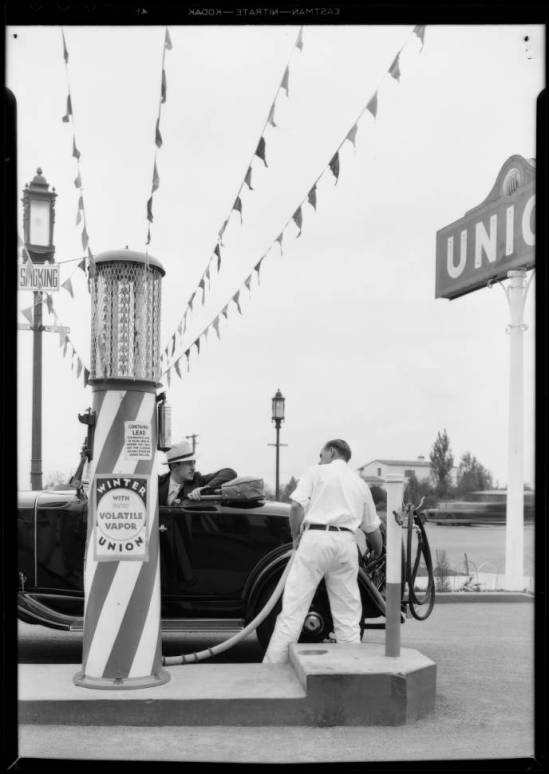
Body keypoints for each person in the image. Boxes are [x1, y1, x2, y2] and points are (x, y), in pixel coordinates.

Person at [263, 438, 383, 664]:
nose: (319, 459)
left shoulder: (316, 472)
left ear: (331, 451)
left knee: (293, 611)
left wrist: (296, 536)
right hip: (346, 542)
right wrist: (379, 551)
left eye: (321, 454)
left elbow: (297, 506)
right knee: (347, 615)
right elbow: (372, 530)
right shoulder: (360, 484)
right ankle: (352, 668)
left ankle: (272, 669)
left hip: (315, 539)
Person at [158, 440, 237, 505]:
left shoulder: (198, 480)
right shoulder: (158, 483)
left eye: (194, 463)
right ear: (174, 466)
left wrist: (205, 488)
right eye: (189, 463)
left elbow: (230, 473)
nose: (193, 468)